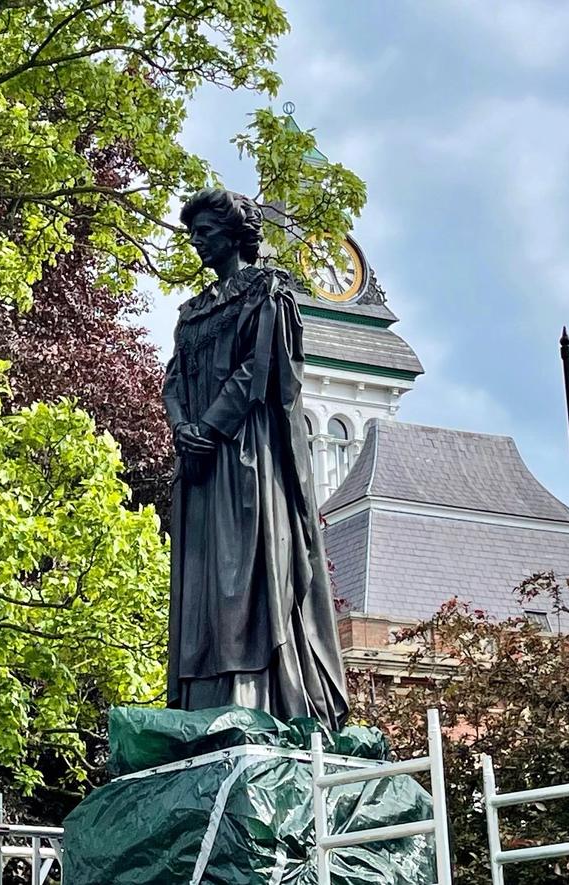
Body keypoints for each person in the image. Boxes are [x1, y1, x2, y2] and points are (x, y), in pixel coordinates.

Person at [162, 188, 349, 730]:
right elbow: (173, 379)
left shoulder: (268, 292)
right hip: (199, 462)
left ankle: (255, 694)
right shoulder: (191, 313)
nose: (196, 241)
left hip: (245, 457)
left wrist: (210, 428)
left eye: (206, 230)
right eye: (192, 231)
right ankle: (203, 699)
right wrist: (183, 430)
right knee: (201, 579)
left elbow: (260, 371)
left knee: (242, 571)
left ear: (234, 233)